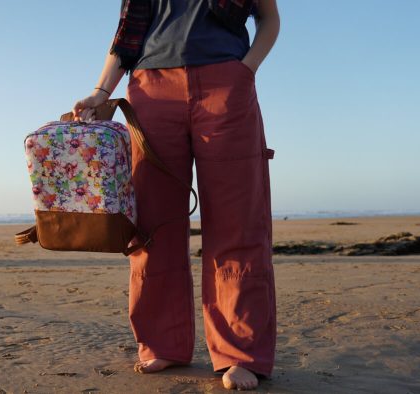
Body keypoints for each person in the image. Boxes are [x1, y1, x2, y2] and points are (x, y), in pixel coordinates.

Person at [71, 0, 280, 391]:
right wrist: (102, 91)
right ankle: (163, 342)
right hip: (150, 89)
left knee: (238, 220)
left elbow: (269, 17)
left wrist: (244, 71)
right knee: (152, 222)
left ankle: (239, 353)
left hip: (226, 83)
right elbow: (127, 32)